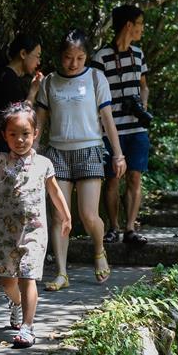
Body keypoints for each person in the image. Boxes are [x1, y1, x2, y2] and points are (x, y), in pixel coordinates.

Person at [0, 102, 71, 347]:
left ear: (35, 134)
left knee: (28, 276)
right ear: (5, 135)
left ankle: (28, 327)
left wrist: (66, 216)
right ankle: (16, 304)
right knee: (7, 280)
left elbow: (54, 192)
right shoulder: (0, 160)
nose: (20, 139)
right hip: (3, 233)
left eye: (25, 134)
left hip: (34, 232)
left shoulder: (44, 164)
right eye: (13, 134)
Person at [35, 29, 126, 291]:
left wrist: (118, 155)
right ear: (59, 56)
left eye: (79, 57)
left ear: (86, 56)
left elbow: (108, 120)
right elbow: (39, 122)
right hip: (57, 153)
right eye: (67, 57)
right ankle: (62, 272)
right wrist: (32, 153)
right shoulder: (49, 82)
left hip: (89, 150)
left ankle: (98, 250)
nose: (73, 63)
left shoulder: (96, 78)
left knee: (88, 215)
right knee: (58, 216)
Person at [91, 5, 150, 246]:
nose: (141, 29)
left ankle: (130, 229)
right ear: (128, 24)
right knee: (113, 178)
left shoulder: (138, 54)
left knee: (135, 177)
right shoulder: (101, 57)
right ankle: (113, 227)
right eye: (140, 24)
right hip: (111, 128)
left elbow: (144, 85)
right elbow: (94, 93)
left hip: (136, 128)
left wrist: (142, 107)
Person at [0, 33, 43, 151]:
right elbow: (21, 116)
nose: (38, 62)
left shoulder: (7, 76)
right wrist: (33, 91)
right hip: (3, 147)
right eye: (37, 56)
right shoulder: (9, 79)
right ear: (23, 54)